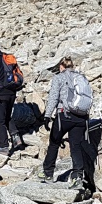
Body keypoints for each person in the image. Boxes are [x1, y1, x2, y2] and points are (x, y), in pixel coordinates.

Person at [37, 57, 94, 190]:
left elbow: (53, 97)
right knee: (76, 146)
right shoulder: (81, 77)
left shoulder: (59, 77)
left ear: (61, 67)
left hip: (64, 116)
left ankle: (48, 173)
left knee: (54, 143)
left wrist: (47, 115)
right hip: (81, 117)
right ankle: (77, 177)